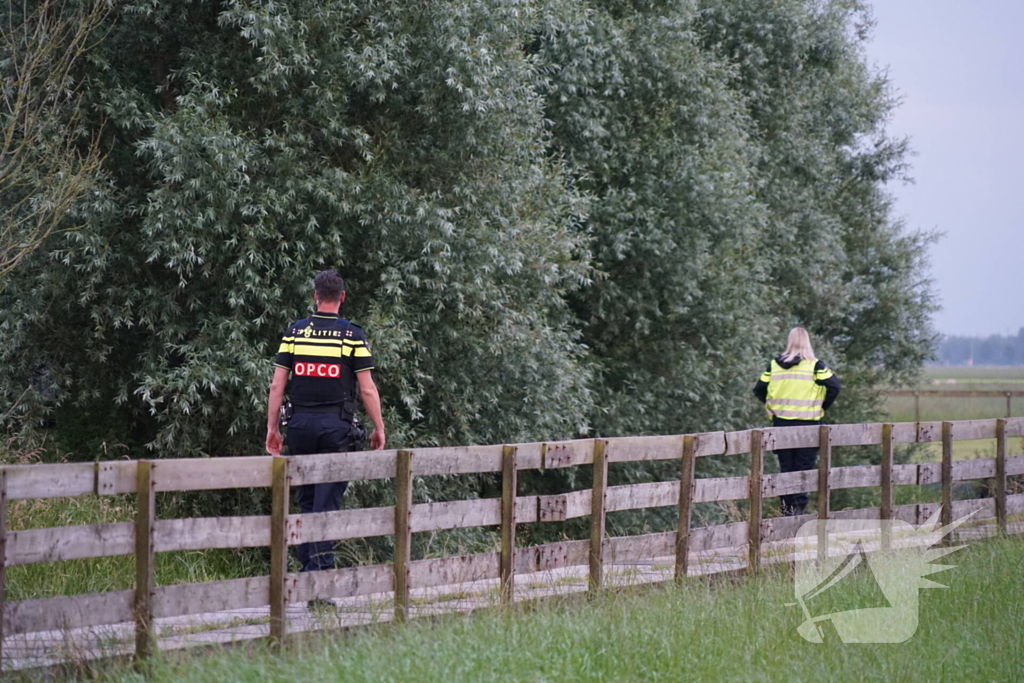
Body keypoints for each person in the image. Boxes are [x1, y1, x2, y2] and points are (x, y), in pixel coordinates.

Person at [265, 270, 386, 578]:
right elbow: (367, 388)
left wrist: (272, 429)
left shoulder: (295, 333)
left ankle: (307, 572)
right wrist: (379, 427)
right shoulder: (352, 336)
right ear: (342, 297)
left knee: (306, 502)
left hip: (299, 426)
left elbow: (277, 386)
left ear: (315, 296)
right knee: (326, 504)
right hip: (336, 428)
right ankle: (318, 582)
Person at [752, 327, 841, 516]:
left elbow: (759, 389)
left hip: (781, 425)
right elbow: (834, 386)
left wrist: (772, 406)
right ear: (807, 342)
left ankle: (786, 513)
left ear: (789, 341)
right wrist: (822, 407)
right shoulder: (815, 365)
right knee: (803, 471)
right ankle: (797, 514)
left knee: (786, 470)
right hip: (808, 426)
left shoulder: (774, 365)